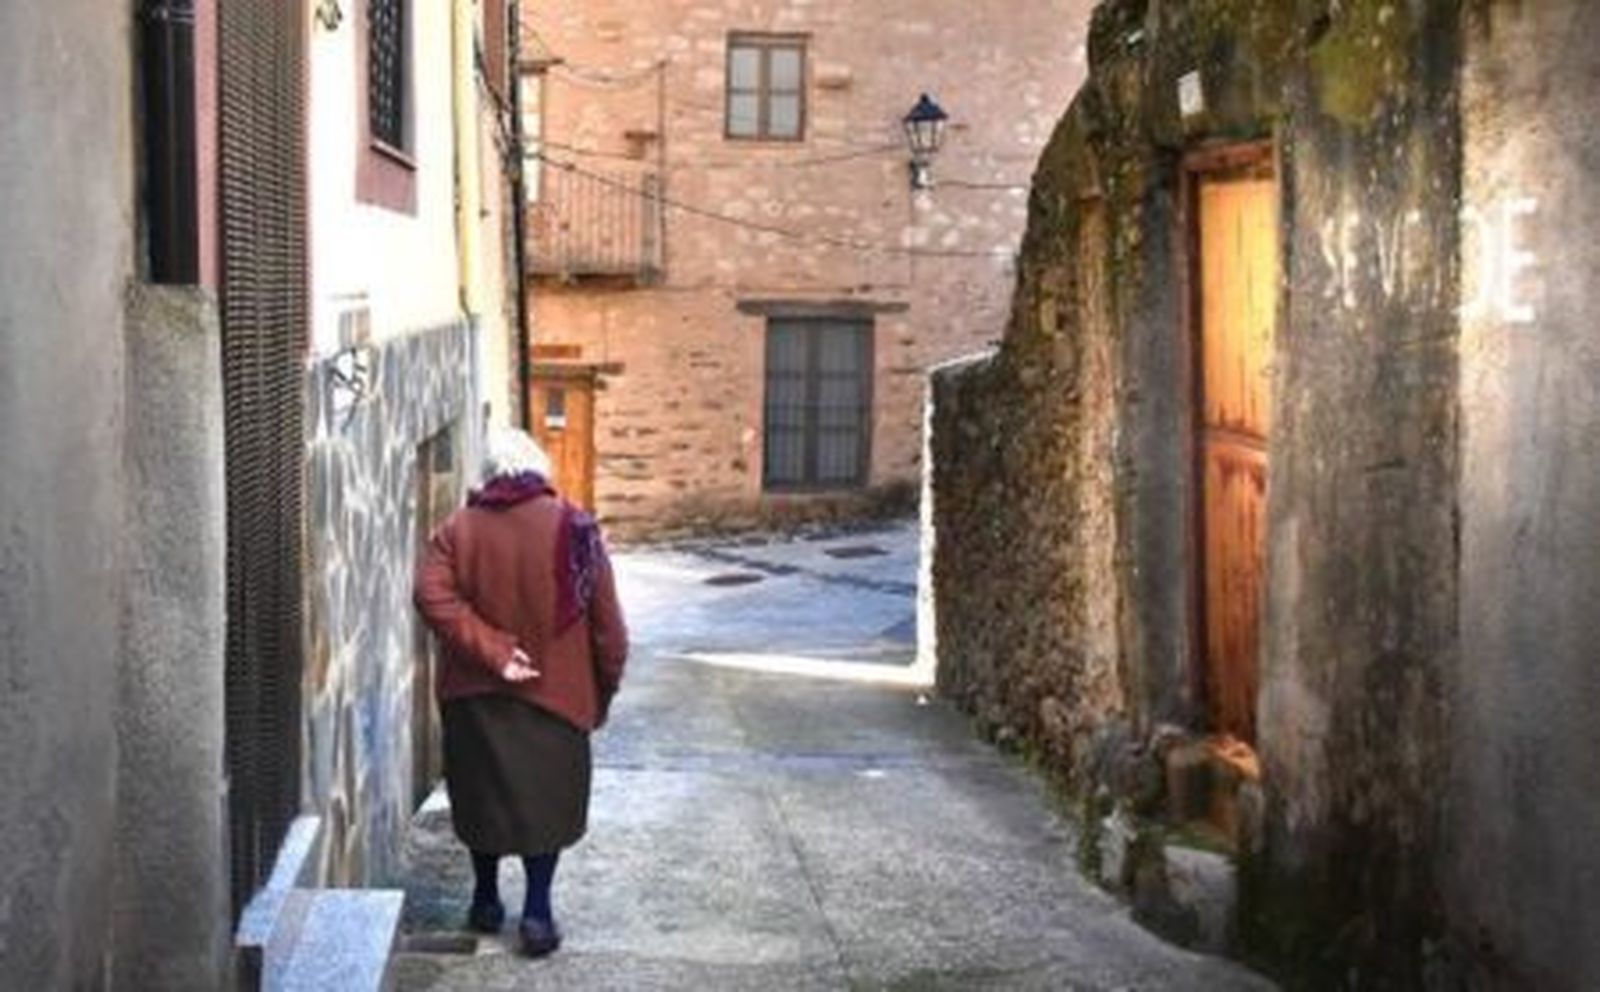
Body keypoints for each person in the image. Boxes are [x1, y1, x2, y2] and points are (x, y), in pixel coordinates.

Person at [413, 428, 628, 957]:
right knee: (545, 809)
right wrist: (602, 690)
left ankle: (485, 901)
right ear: (539, 472)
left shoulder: (457, 529)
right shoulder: (576, 529)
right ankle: (536, 912)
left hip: (473, 698)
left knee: (482, 801)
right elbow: (611, 632)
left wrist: (491, 650)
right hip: (557, 701)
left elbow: (429, 595)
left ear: (488, 473)